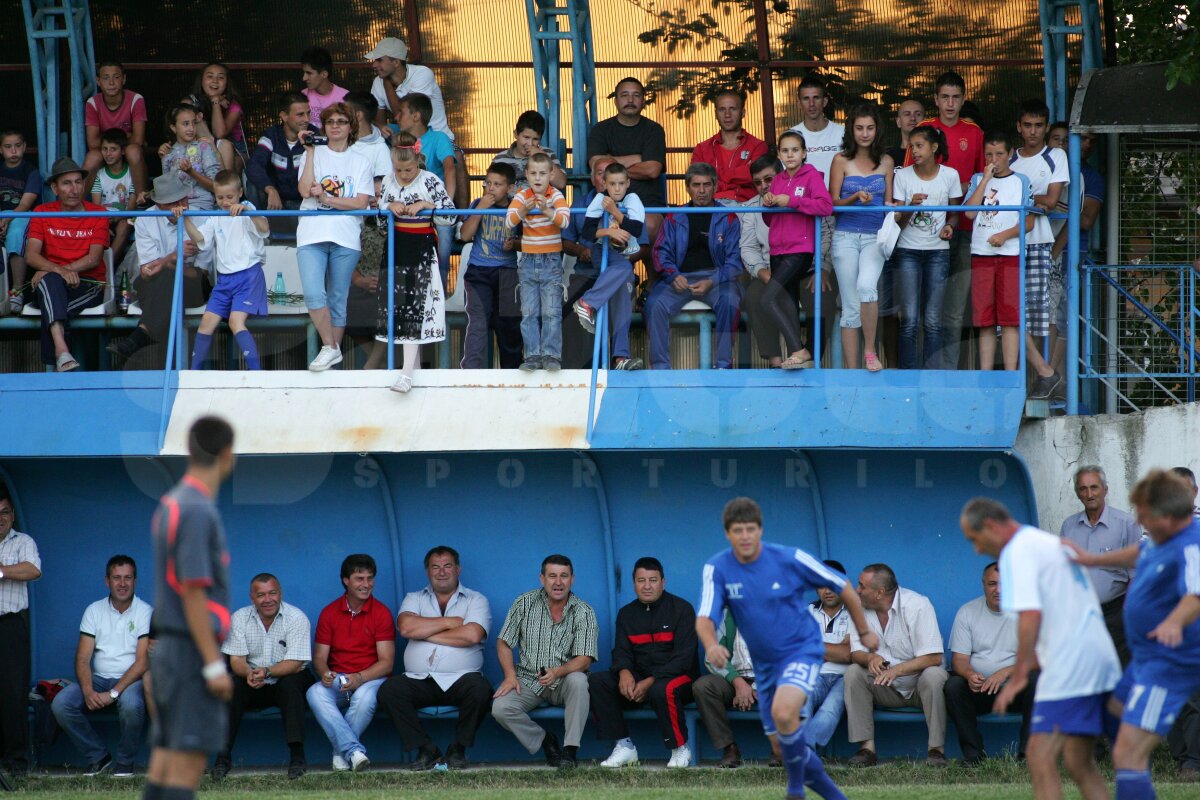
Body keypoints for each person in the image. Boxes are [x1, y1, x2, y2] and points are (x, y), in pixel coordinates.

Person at [698, 497, 878, 799]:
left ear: (760, 530)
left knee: (784, 713)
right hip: (764, 664)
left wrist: (864, 630)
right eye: (738, 530)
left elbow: (843, 585)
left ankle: (795, 790)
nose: (745, 536)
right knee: (782, 747)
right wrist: (711, 644)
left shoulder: (789, 558)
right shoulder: (717, 568)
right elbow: (705, 617)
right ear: (727, 533)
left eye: (751, 529)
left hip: (801, 650)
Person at [960, 497, 1120, 800]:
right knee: (1075, 761)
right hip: (1088, 657)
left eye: (975, 539)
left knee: (1041, 755)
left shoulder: (1017, 553)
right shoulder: (1046, 542)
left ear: (991, 526)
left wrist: (1018, 675)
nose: (977, 549)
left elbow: (1031, 616)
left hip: (1072, 664)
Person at [143, 416, 236, 800]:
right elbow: (193, 592)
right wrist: (213, 663)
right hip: (188, 652)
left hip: (170, 649)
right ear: (227, 455)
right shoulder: (197, 509)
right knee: (186, 766)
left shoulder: (171, 502)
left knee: (165, 763)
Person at [1099, 470, 1200, 800]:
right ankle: (1165, 756)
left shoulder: (1190, 536)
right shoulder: (1158, 535)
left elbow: (1195, 591)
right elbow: (1140, 556)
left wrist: (1174, 621)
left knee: (1189, 703)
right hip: (1150, 649)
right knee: (1121, 709)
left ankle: (1190, 760)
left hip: (1177, 650)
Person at [378, 546, 493, 770]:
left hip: (462, 678)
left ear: (458, 569)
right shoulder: (414, 598)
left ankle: (457, 750)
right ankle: (426, 750)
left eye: (447, 566)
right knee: (388, 691)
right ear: (427, 571)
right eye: (435, 567)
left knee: (481, 690)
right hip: (419, 678)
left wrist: (425, 632)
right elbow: (406, 628)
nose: (442, 572)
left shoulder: (475, 599)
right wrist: (451, 622)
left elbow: (472, 635)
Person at [905, 72, 984, 370]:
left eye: (956, 97)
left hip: (963, 229)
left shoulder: (974, 132)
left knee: (953, 310)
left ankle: (946, 372)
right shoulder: (924, 130)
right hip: (922, 233)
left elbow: (980, 182)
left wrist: (962, 190)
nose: (950, 103)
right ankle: (920, 369)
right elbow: (905, 178)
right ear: (936, 100)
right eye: (944, 97)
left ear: (963, 99)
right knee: (923, 309)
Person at [590, 557, 699, 769]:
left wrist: (649, 681)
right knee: (599, 681)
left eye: (653, 580)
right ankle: (624, 746)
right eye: (641, 580)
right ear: (634, 584)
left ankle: (679, 748)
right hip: (640, 680)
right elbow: (621, 651)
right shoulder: (627, 614)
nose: (647, 586)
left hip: (679, 679)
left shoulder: (682, 609)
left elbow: (684, 659)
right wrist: (623, 672)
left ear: (663, 582)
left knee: (661, 689)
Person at [492, 554, 599, 769]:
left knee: (579, 680)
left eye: (564, 576)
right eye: (552, 576)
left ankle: (570, 751)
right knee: (500, 708)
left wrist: (558, 672)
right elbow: (504, 643)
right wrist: (510, 676)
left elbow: (585, 659)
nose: (558, 582)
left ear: (572, 579)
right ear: (542, 578)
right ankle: (546, 741)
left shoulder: (584, 611)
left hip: (565, 682)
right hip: (529, 680)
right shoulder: (524, 602)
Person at [52, 555, 151, 777]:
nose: (122, 583)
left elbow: (143, 661)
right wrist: (88, 691)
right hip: (99, 678)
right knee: (61, 703)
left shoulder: (145, 612)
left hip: (132, 679)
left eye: (128, 578)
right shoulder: (94, 610)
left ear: (135, 580)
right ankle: (98, 757)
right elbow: (82, 658)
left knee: (131, 704)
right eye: (117, 578)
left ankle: (125, 763)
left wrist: (114, 693)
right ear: (107, 581)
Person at [844, 563, 950, 767]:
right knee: (854, 672)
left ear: (879, 592)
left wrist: (896, 670)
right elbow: (856, 653)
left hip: (920, 688)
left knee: (934, 675)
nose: (857, 590)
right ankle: (867, 749)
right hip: (885, 687)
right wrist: (870, 659)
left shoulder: (917, 605)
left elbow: (934, 657)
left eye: (862, 586)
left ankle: (936, 751)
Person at [296, 103, 374, 372]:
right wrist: (308, 153)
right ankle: (331, 348)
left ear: (351, 127)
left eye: (341, 121)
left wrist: (328, 198)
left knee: (338, 298)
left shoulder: (361, 160)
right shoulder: (313, 153)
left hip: (345, 236)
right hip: (311, 233)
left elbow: (361, 203)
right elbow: (305, 190)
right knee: (313, 293)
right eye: (330, 122)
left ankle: (331, 361)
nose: (335, 126)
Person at [213, 573, 313, 780]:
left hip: (286, 679)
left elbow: (295, 664)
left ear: (280, 593)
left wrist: (267, 671)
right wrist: (249, 673)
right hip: (253, 681)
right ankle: (222, 758)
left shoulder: (296, 618)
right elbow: (237, 661)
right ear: (252, 598)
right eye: (261, 595)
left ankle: (297, 757)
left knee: (292, 684)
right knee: (232, 684)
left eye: (272, 593)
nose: (268, 599)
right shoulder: (240, 618)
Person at [105, 173, 210, 367]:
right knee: (167, 283)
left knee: (170, 278)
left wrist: (168, 266)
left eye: (183, 199)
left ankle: (139, 337)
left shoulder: (202, 218)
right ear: (159, 205)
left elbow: (201, 274)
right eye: (173, 202)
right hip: (156, 285)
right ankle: (172, 371)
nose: (181, 206)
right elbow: (147, 271)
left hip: (191, 285)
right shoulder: (146, 219)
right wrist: (173, 257)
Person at [376, 133, 454, 393]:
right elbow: (377, 221)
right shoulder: (388, 181)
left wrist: (427, 205)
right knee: (400, 308)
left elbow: (450, 217)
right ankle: (414, 369)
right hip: (395, 246)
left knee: (415, 307)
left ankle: (407, 373)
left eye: (409, 169)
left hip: (421, 247)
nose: (405, 174)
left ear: (419, 161)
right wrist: (388, 207)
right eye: (399, 169)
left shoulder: (430, 180)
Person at [646, 162, 742, 370]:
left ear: (715, 187)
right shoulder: (674, 216)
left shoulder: (729, 217)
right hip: (680, 279)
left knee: (731, 301)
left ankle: (724, 366)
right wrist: (672, 275)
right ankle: (661, 369)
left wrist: (712, 280)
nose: (701, 191)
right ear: (687, 187)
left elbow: (734, 263)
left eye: (707, 185)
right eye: (696, 185)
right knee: (654, 304)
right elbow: (660, 253)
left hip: (715, 280)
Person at [306, 553, 396, 773]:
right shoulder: (329, 612)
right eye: (360, 579)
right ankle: (353, 752)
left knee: (364, 698)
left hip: (371, 679)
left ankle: (341, 752)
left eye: (370, 578)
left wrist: (360, 678)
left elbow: (386, 663)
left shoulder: (381, 613)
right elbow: (319, 658)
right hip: (340, 678)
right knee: (315, 692)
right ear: (346, 580)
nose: (366, 584)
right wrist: (325, 673)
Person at [25, 157, 111, 371]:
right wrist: (58, 271)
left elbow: (94, 258)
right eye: (67, 183)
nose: (74, 189)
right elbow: (31, 256)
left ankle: (59, 355)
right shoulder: (42, 212)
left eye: (78, 182)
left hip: (89, 284)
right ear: (54, 187)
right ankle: (62, 350)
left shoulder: (98, 213)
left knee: (50, 299)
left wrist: (54, 271)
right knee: (51, 283)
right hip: (54, 285)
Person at [760, 130, 835, 370]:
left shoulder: (811, 175)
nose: (790, 155)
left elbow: (825, 206)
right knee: (788, 301)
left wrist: (790, 201)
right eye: (785, 150)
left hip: (800, 249)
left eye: (795, 150)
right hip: (777, 250)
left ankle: (800, 349)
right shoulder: (778, 179)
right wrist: (769, 204)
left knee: (768, 299)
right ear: (779, 154)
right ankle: (797, 353)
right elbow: (769, 221)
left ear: (804, 153)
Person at [1010, 98, 1070, 399]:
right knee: (1008, 315)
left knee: (1034, 316)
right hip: (1007, 242)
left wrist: (1024, 199)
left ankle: (1035, 381)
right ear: (1019, 127)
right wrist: (1034, 200)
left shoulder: (1055, 155)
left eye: (1038, 126)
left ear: (1045, 128)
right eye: (1028, 125)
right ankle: (1041, 374)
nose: (1033, 131)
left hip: (1038, 242)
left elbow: (1052, 200)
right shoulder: (1009, 159)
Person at [182, 171, 270, 371]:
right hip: (224, 281)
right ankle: (193, 374)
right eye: (220, 197)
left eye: (230, 197)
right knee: (205, 323)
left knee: (235, 322)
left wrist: (247, 210)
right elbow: (199, 239)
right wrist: (185, 218)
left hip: (248, 276)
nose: (225, 202)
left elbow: (264, 228)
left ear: (240, 193)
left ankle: (257, 373)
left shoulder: (249, 209)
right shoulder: (215, 216)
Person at [944, 562, 1032, 764]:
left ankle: (1027, 756)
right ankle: (974, 756)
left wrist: (1004, 673)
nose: (998, 590)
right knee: (953, 685)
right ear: (983, 584)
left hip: (1015, 689)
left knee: (1037, 680)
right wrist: (969, 675)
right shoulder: (967, 612)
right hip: (980, 690)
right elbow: (959, 660)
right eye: (992, 584)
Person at [962, 131, 1035, 371]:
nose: (994, 160)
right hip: (981, 254)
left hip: (1010, 255)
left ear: (1011, 154)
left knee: (1010, 318)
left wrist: (1004, 236)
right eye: (989, 155)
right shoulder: (976, 180)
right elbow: (969, 213)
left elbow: (1029, 222)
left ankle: (1011, 373)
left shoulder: (1021, 181)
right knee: (984, 318)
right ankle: (986, 374)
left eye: (1000, 154)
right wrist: (984, 181)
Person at [829, 103, 893, 371]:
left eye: (869, 128)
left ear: (877, 130)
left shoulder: (887, 161)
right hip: (844, 236)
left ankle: (869, 352)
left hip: (874, 237)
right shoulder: (840, 159)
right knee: (850, 306)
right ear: (851, 131)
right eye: (859, 128)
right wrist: (855, 197)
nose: (865, 133)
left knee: (867, 287)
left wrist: (902, 207)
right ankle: (852, 373)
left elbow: (889, 203)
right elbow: (832, 202)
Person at [561, 157, 642, 370]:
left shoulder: (632, 199)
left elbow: (637, 230)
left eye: (621, 184)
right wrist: (608, 231)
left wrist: (615, 212)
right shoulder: (599, 199)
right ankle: (587, 303)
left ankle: (620, 358)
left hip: (620, 254)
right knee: (625, 269)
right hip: (602, 251)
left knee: (623, 296)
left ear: (628, 184)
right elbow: (587, 234)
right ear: (604, 183)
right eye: (612, 184)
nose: (616, 188)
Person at [891, 126, 962, 370]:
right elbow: (897, 220)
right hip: (907, 251)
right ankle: (908, 377)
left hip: (938, 252)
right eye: (912, 146)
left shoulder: (950, 175)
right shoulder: (902, 176)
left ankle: (933, 376)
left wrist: (950, 227)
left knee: (933, 321)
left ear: (934, 147)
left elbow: (955, 214)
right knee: (909, 320)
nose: (915, 151)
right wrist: (911, 206)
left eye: (919, 145)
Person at [1059, 465, 1142, 666]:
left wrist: (1127, 613)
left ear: (1105, 489)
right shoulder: (1069, 526)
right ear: (1077, 493)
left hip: (1115, 612)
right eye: (1083, 489)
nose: (1089, 494)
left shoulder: (1126, 524)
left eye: (1094, 487)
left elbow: (1136, 574)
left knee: (1118, 669)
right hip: (1081, 613)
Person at [692, 607, 783, 768]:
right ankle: (729, 748)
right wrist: (738, 682)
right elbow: (712, 656)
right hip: (734, 679)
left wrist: (758, 685)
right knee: (703, 686)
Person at [506, 152, 570, 372]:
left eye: (543, 173)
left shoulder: (556, 195)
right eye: (533, 173)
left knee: (552, 311)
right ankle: (532, 355)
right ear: (526, 174)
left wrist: (545, 209)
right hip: (528, 261)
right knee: (529, 312)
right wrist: (525, 208)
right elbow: (509, 220)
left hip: (551, 260)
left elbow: (565, 221)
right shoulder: (523, 195)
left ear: (551, 174)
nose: (538, 178)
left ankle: (551, 355)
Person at [587, 77, 667, 245]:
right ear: (615, 100)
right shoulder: (601, 130)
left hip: (647, 202)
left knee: (651, 226)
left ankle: (649, 271)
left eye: (636, 95)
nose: (630, 100)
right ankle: (622, 270)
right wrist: (638, 158)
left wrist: (611, 162)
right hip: (607, 200)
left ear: (643, 100)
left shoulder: (654, 130)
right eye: (624, 95)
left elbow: (652, 170)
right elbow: (597, 165)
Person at [458, 161, 523, 369]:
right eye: (488, 183)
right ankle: (471, 372)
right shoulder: (478, 203)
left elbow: (526, 241)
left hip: (508, 273)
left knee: (509, 326)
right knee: (478, 323)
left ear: (510, 188)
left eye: (497, 184)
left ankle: (511, 373)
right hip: (479, 273)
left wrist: (515, 244)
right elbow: (465, 235)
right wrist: (480, 209)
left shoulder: (517, 208)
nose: (491, 188)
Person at [1049, 130, 1103, 375]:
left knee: (1063, 319)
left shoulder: (1088, 176)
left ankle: (1054, 379)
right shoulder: (1039, 169)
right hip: (1038, 251)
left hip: (1070, 253)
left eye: (1092, 140)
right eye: (1082, 138)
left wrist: (1049, 207)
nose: (1087, 144)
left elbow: (1085, 220)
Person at [395, 93, 458, 289]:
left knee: (443, 243)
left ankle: (440, 292)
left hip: (433, 207)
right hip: (405, 209)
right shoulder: (397, 138)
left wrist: (445, 204)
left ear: (416, 116)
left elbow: (449, 166)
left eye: (401, 112)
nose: (396, 117)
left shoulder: (438, 138)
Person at [0, 491, 40, 776]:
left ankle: (15, 762)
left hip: (10, 626)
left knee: (13, 693)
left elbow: (33, 569)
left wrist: (1, 571)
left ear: (12, 516)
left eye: (4, 512)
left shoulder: (22, 542)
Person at [788, 75, 844, 260]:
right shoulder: (791, 136)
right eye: (806, 98)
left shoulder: (842, 133)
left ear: (825, 101)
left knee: (840, 261)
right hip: (805, 212)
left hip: (840, 210)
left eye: (816, 98)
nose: (811, 104)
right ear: (799, 103)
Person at [739, 154, 785, 368]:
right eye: (757, 182)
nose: (763, 186)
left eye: (768, 179)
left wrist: (822, 266)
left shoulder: (798, 199)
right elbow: (748, 247)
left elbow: (821, 234)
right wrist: (761, 271)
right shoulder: (750, 208)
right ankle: (774, 360)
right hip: (768, 270)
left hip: (803, 268)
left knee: (820, 294)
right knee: (753, 296)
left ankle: (808, 355)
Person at [802, 559, 853, 749]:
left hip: (846, 675)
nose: (827, 590)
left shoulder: (857, 612)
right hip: (815, 673)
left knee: (830, 708)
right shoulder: (808, 612)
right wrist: (835, 649)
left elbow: (848, 654)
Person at [367, 37, 455, 141]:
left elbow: (404, 116)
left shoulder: (422, 74)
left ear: (396, 62)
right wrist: (381, 127)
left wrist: (387, 83)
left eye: (379, 60)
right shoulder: (378, 81)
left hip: (436, 139)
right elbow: (380, 122)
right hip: (406, 140)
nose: (374, 65)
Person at [690, 90, 768, 203]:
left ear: (743, 113)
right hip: (711, 207)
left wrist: (716, 177)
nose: (727, 115)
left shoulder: (758, 146)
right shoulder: (702, 149)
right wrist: (739, 178)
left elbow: (757, 177)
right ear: (716, 114)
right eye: (722, 109)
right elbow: (696, 183)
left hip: (747, 207)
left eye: (733, 109)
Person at [83, 61, 148, 196]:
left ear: (123, 79)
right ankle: (76, 205)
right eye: (106, 78)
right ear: (98, 81)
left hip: (127, 150)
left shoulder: (136, 99)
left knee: (134, 151)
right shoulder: (93, 103)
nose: (111, 83)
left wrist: (109, 139)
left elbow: (139, 139)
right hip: (106, 151)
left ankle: (142, 199)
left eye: (116, 77)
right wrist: (126, 136)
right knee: (92, 157)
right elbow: (93, 143)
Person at [246, 92, 314, 218]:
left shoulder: (314, 136)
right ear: (284, 116)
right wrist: (270, 189)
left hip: (306, 202)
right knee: (253, 183)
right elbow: (254, 165)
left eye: (308, 113)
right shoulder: (272, 135)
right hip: (276, 202)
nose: (307, 119)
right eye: (300, 115)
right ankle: (258, 230)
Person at [1, 130, 41, 314]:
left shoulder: (31, 171)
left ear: (24, 147)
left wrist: (6, 219)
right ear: (1, 149)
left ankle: (17, 291)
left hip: (20, 215)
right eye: (8, 147)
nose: (13, 151)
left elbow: (25, 204)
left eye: (18, 146)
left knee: (16, 233)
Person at [159, 105, 221, 213]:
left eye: (194, 123)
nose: (191, 128)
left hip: (200, 204)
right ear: (173, 128)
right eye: (186, 124)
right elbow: (167, 191)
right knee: (144, 219)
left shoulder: (204, 147)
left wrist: (191, 172)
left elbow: (216, 187)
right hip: (174, 207)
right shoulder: (168, 154)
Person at [493, 110, 567, 193]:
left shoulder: (548, 154)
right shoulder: (500, 159)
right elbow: (489, 192)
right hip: (510, 205)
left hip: (540, 204)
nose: (530, 144)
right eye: (526, 137)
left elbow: (561, 183)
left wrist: (542, 156)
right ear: (516, 134)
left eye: (535, 139)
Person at [192, 62, 247, 172]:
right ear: (201, 80)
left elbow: (219, 134)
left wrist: (215, 101)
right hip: (202, 148)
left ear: (227, 83)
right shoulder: (193, 102)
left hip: (232, 151)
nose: (215, 81)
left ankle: (224, 188)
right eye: (210, 76)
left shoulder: (234, 107)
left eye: (220, 77)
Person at [88, 128, 134, 263]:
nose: (108, 154)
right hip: (103, 218)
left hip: (124, 217)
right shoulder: (99, 174)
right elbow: (96, 206)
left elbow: (131, 208)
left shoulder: (131, 174)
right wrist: (104, 222)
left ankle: (106, 268)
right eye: (104, 149)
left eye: (113, 149)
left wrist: (116, 218)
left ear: (123, 151)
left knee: (125, 226)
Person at [300, 47, 348, 130]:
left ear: (324, 74)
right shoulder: (302, 96)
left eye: (309, 73)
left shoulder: (346, 98)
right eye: (304, 72)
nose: (304, 78)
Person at [885, 98, 924, 169]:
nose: (913, 118)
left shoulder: (932, 155)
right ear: (898, 122)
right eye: (907, 114)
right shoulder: (888, 157)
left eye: (918, 114)